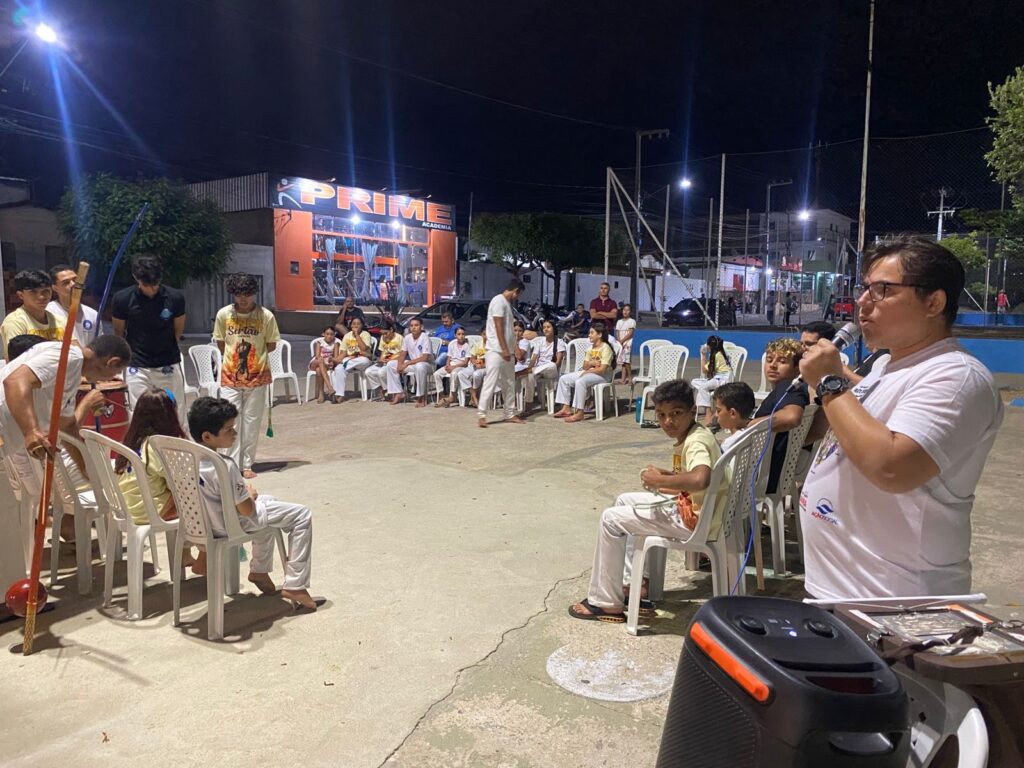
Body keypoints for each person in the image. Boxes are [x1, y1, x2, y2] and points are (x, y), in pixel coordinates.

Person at [799, 235, 1003, 600]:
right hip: (840, 593)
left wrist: (829, 382)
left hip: (895, 602)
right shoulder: (885, 366)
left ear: (933, 302)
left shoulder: (956, 376)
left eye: (882, 290)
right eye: (864, 288)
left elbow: (892, 468)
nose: (863, 301)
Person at [568, 380, 724, 623]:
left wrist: (663, 481)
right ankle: (635, 585)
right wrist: (667, 476)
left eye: (676, 413)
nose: (668, 421)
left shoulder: (696, 443)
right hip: (703, 512)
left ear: (692, 411)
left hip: (694, 520)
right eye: (661, 415)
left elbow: (701, 478)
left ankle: (605, 602)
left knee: (610, 519)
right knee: (623, 500)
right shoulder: (698, 433)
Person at [188, 397, 317, 610]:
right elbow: (247, 510)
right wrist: (249, 494)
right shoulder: (225, 466)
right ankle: (296, 584)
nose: (235, 433)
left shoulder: (187, 460)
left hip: (208, 522)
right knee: (302, 515)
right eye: (229, 429)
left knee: (270, 502)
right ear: (207, 436)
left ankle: (260, 570)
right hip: (232, 524)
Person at [0, 336, 130, 499]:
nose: (111, 378)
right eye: (116, 372)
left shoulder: (72, 375)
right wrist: (31, 431)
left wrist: (85, 467)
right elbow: (15, 381)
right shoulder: (69, 357)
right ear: (112, 362)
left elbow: (66, 425)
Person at [212, 273, 280, 479]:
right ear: (233, 294)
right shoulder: (224, 315)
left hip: (257, 377)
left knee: (252, 421)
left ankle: (247, 463)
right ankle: (230, 464)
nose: (243, 299)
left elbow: (271, 344)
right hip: (230, 377)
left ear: (254, 293)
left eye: (247, 294)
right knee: (229, 421)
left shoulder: (265, 316)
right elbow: (221, 343)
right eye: (239, 294)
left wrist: (254, 359)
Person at [111, 255, 187, 427]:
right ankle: (141, 443)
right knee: (138, 411)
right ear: (136, 278)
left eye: (155, 284)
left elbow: (178, 330)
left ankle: (177, 441)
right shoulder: (123, 299)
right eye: (147, 285)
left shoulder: (175, 297)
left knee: (175, 411)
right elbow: (119, 332)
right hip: (137, 365)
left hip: (167, 363)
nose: (152, 289)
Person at [114, 387, 187, 526]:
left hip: (126, 509)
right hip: (148, 513)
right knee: (193, 493)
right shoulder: (157, 447)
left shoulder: (132, 441)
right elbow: (180, 484)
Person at [749, 338, 809, 494]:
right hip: (775, 469)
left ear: (797, 367)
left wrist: (750, 426)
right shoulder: (791, 390)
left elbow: (791, 417)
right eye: (769, 360)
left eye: (782, 361)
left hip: (763, 475)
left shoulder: (788, 387)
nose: (773, 365)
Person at [477, 279, 525, 428]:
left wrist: (514, 348)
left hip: (507, 351)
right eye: (519, 294)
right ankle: (482, 414)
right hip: (496, 350)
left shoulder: (507, 304)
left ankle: (509, 413)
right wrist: (504, 348)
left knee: (509, 382)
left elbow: (509, 330)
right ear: (515, 291)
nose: (518, 297)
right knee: (491, 381)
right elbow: (498, 327)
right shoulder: (498, 301)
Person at [553, 322, 614, 423]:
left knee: (580, 381)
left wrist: (588, 371)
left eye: (592, 333)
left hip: (603, 376)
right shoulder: (591, 348)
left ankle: (579, 412)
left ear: (599, 334)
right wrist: (592, 363)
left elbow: (602, 369)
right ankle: (566, 407)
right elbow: (585, 366)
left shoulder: (606, 348)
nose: (589, 335)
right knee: (564, 379)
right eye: (589, 333)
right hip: (590, 372)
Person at [1, 270, 63, 359]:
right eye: (33, 292)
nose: (41, 297)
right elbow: (15, 361)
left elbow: (75, 353)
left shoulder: (59, 320)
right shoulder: (15, 322)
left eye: (46, 291)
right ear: (20, 295)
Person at [48, 264, 99, 347]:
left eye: (75, 280)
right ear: (55, 288)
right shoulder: (47, 312)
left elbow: (98, 345)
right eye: (66, 282)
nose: (73, 284)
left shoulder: (93, 314)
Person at [387, 317, 433, 406]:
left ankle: (422, 397)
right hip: (413, 364)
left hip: (427, 365)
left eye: (416, 325)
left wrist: (407, 363)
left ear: (421, 327)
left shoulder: (425, 337)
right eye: (411, 326)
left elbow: (425, 358)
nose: (413, 328)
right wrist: (400, 365)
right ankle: (398, 392)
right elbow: (403, 353)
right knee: (391, 364)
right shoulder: (407, 338)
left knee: (420, 366)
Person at [523, 320, 564, 416]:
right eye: (544, 327)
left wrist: (533, 369)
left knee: (552, 365)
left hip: (551, 370)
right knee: (530, 375)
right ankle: (528, 406)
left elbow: (558, 363)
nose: (546, 329)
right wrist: (530, 368)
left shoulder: (559, 342)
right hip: (538, 369)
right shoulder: (540, 342)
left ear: (554, 329)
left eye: (548, 327)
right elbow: (534, 358)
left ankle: (534, 371)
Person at [691, 335, 732, 426]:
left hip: (722, 380)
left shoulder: (716, 356)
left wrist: (702, 355)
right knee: (695, 381)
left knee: (702, 387)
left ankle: (708, 413)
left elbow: (704, 370)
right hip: (720, 378)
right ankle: (712, 410)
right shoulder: (722, 353)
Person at [333, 316, 373, 401]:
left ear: (362, 325)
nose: (356, 326)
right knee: (339, 368)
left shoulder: (365, 334)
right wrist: (338, 360)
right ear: (351, 325)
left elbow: (363, 349)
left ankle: (345, 363)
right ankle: (339, 394)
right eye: (354, 324)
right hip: (350, 360)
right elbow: (343, 352)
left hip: (362, 361)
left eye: (358, 324)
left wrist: (357, 335)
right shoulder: (347, 336)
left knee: (363, 360)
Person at [433, 327, 471, 407]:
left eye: (463, 334)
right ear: (455, 335)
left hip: (461, 365)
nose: (461, 336)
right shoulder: (452, 344)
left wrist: (453, 367)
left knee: (454, 373)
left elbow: (465, 362)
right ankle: (442, 396)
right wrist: (447, 364)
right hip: (451, 364)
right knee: (437, 374)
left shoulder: (467, 346)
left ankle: (452, 396)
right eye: (459, 334)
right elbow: (449, 356)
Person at [365, 320, 402, 400]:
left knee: (381, 372)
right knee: (368, 372)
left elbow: (402, 354)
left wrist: (390, 360)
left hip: (394, 362)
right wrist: (381, 359)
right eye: (382, 334)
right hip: (385, 361)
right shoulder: (383, 338)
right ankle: (383, 389)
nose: (384, 336)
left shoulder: (399, 338)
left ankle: (389, 391)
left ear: (391, 329)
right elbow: (383, 352)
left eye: (386, 333)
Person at [308, 326, 341, 403]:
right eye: (327, 334)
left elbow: (335, 357)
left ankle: (321, 394)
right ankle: (329, 387)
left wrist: (332, 361)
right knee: (320, 360)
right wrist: (322, 360)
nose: (329, 336)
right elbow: (317, 356)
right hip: (316, 362)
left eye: (331, 334)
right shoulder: (319, 342)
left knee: (319, 370)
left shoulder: (336, 343)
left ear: (334, 334)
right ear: (323, 334)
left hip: (327, 364)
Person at [614, 303, 637, 384]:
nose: (625, 312)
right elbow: (617, 332)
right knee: (623, 362)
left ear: (630, 312)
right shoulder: (619, 321)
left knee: (627, 361)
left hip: (627, 343)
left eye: (628, 310)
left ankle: (630, 378)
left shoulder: (632, 321)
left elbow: (630, 333)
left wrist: (622, 341)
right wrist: (619, 341)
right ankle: (622, 380)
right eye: (624, 310)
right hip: (620, 342)